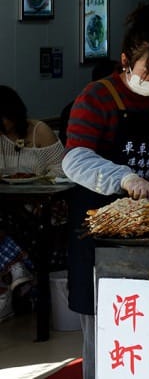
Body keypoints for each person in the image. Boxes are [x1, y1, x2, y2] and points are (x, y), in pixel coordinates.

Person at [62, 5, 149, 375]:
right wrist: (123, 178)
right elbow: (74, 161)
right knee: (106, 333)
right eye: (148, 71)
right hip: (98, 231)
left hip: (148, 232)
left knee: (146, 329)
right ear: (125, 61)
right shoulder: (96, 97)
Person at [0, 85, 65, 320]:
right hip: (10, 203)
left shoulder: (39, 131)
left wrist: (44, 183)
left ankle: (17, 270)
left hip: (45, 202)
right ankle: (15, 272)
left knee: (16, 219)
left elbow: (62, 168)